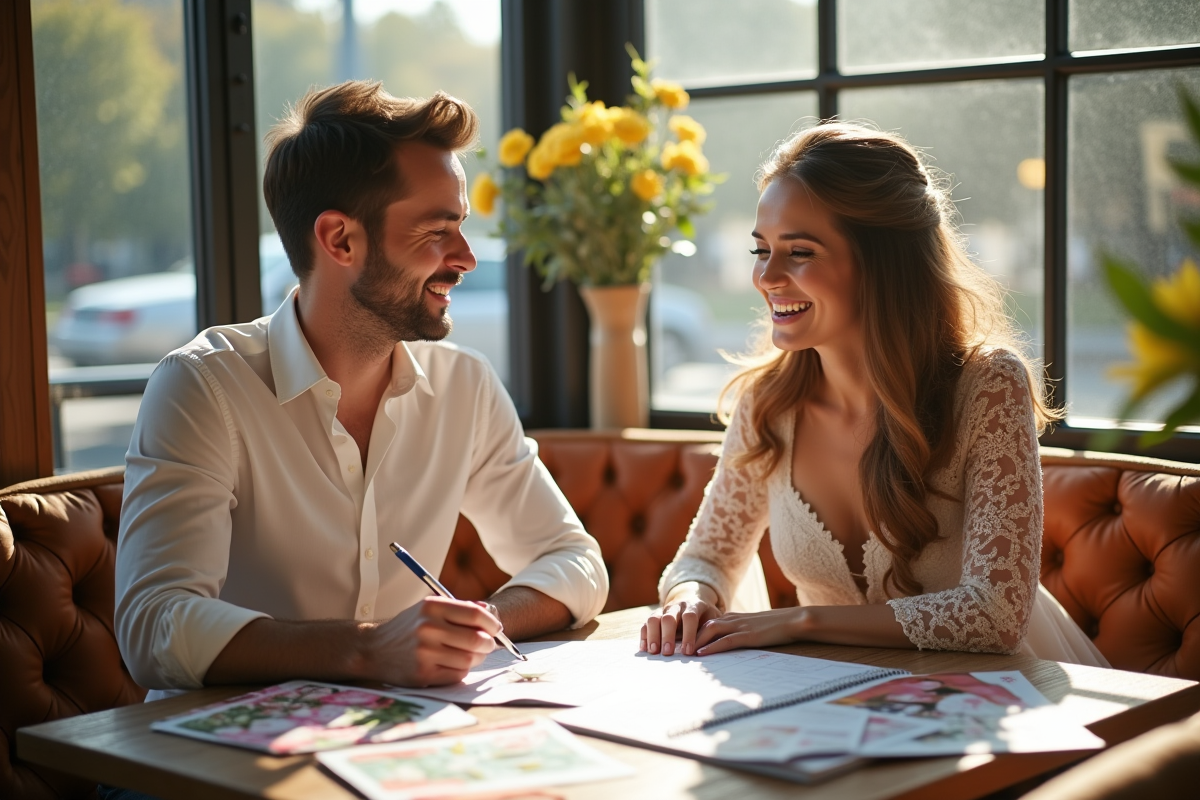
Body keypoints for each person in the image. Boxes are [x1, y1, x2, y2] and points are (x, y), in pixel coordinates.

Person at [115, 81, 608, 701]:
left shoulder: (466, 387)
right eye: (437, 231)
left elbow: (575, 561)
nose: (466, 258)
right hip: (210, 767)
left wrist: (472, 627)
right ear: (340, 239)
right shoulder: (202, 388)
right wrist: (372, 647)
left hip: (395, 745)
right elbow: (154, 626)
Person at [641, 122, 1107, 668]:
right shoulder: (767, 404)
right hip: (828, 700)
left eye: (800, 252)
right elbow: (707, 558)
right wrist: (689, 600)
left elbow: (995, 614)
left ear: (882, 264)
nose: (766, 276)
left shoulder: (986, 387)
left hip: (986, 695)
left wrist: (798, 622)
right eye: (761, 249)